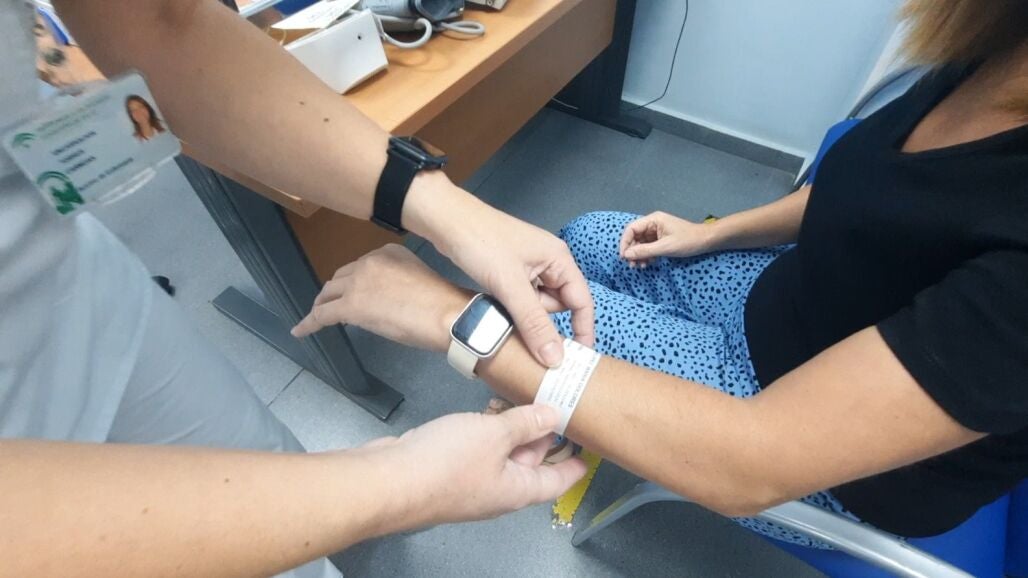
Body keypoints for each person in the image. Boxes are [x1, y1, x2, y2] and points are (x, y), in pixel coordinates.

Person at [294, 0, 1028, 549]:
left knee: (530, 323)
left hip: (806, 440)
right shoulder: (991, 48)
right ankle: (576, 400)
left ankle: (567, 406)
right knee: (589, 240)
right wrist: (711, 233)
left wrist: (452, 317)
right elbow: (873, 194)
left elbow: (753, 462)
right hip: (793, 299)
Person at [1, 0, 592, 576]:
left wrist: (451, 215)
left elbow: (163, 24)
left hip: (71, 283)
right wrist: (398, 486)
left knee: (271, 475)